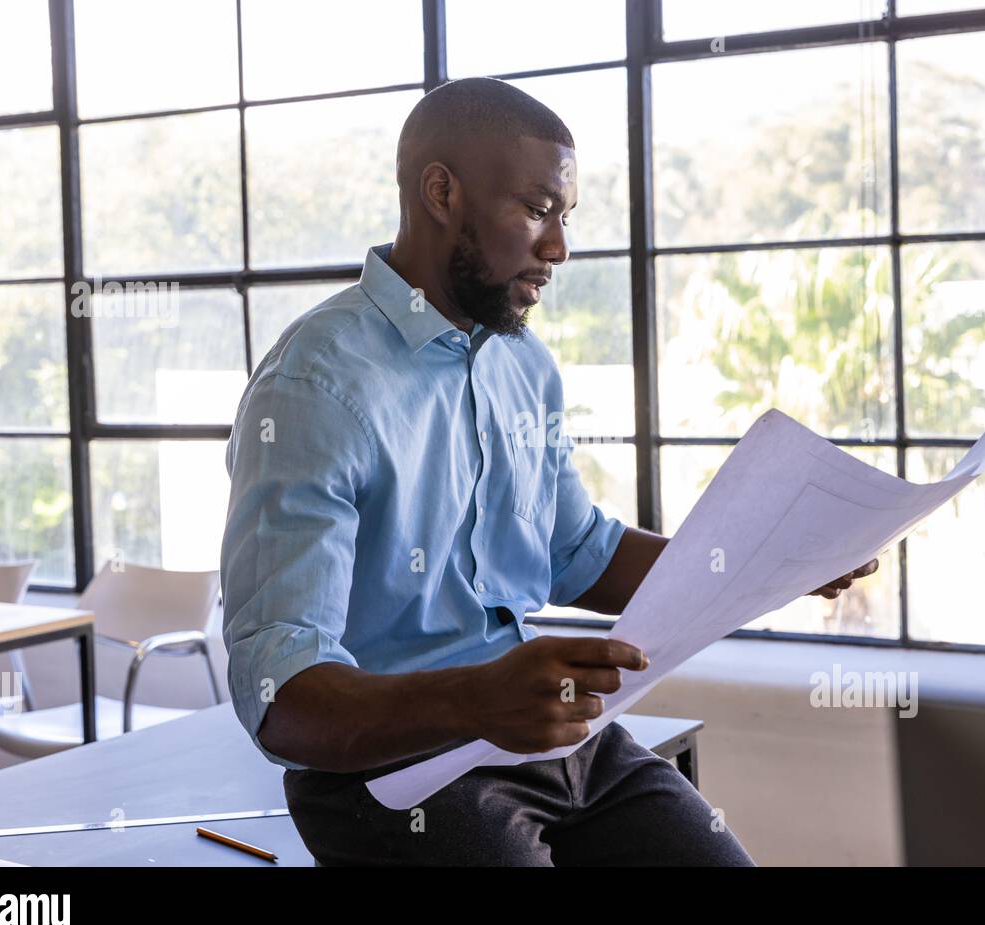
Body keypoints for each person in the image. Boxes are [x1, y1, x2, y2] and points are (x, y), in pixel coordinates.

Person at [219, 76, 879, 866]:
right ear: (441, 192)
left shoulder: (522, 364)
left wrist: (769, 558)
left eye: (564, 217)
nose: (559, 247)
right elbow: (278, 694)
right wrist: (476, 696)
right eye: (537, 210)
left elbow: (576, 553)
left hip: (550, 739)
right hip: (389, 771)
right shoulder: (314, 387)